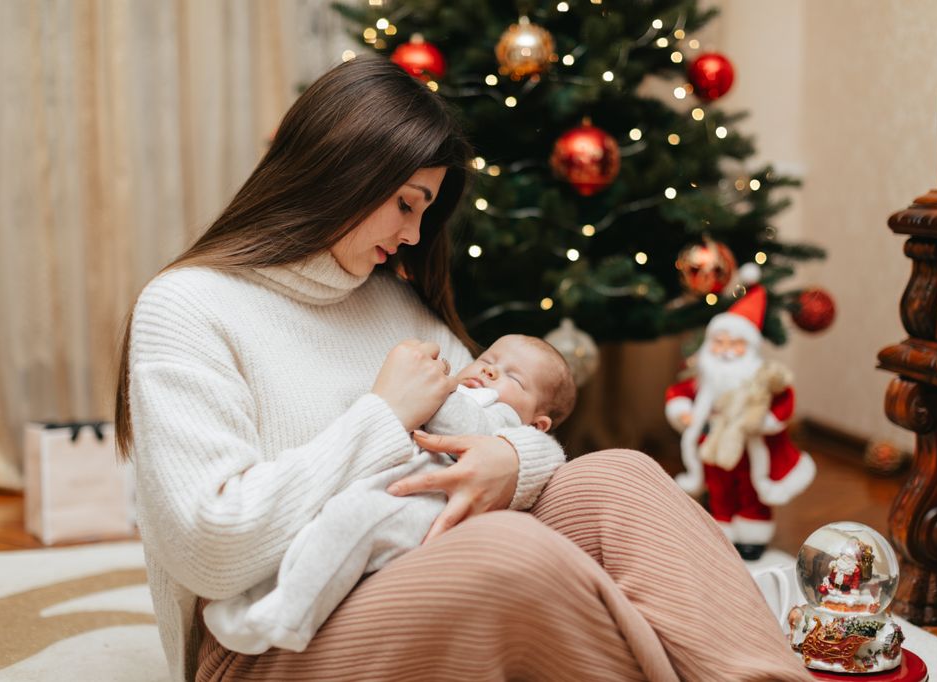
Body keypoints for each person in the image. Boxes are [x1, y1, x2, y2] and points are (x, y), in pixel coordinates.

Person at [115, 55, 810, 681]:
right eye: (406, 204)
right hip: (266, 636)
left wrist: (511, 459)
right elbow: (212, 547)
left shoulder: (390, 301)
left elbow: (508, 425)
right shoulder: (189, 306)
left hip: (404, 572)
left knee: (620, 476)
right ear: (340, 172)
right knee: (510, 555)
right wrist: (382, 419)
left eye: (425, 211)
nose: (414, 235)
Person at [202, 334, 578, 655]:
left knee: (352, 522)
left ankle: (290, 620)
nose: (491, 372)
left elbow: (458, 423)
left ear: (538, 424)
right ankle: (259, 602)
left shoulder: (504, 419)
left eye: (514, 377)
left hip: (425, 506)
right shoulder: (469, 390)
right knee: (322, 532)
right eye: (488, 360)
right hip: (392, 491)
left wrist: (433, 386)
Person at [665, 286, 816, 560]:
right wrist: (683, 411)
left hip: (748, 446)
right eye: (719, 343)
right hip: (711, 443)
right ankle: (721, 528)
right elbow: (679, 393)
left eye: (735, 344)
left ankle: (752, 534)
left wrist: (761, 421)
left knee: (749, 489)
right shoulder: (703, 378)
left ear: (749, 348)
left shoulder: (759, 378)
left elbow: (783, 401)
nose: (726, 351)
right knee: (718, 488)